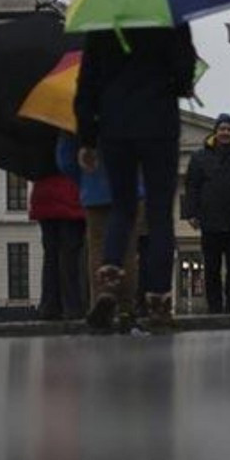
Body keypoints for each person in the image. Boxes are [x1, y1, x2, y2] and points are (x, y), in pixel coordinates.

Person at [75, 24, 198, 332]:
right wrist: (178, 84)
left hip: (115, 126)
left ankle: (109, 283)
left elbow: (86, 84)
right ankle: (158, 302)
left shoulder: (103, 25)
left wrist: (87, 139)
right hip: (159, 124)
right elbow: (185, 72)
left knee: (122, 207)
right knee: (158, 214)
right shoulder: (171, 20)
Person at [57, 135, 142, 324]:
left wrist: (85, 180)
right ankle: (126, 306)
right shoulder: (132, 108)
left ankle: (101, 298)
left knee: (97, 249)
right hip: (130, 187)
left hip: (94, 188)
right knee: (128, 249)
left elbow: (65, 159)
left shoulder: (75, 111)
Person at [183, 114, 230, 314]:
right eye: (222, 129)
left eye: (229, 129)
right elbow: (192, 186)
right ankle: (214, 307)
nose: (225, 133)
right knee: (211, 268)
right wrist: (191, 213)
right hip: (210, 220)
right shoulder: (200, 157)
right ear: (215, 132)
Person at [29, 173, 86, 320]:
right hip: (70, 197)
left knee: (50, 256)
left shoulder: (38, 151)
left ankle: (49, 305)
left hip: (44, 196)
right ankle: (72, 306)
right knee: (70, 256)